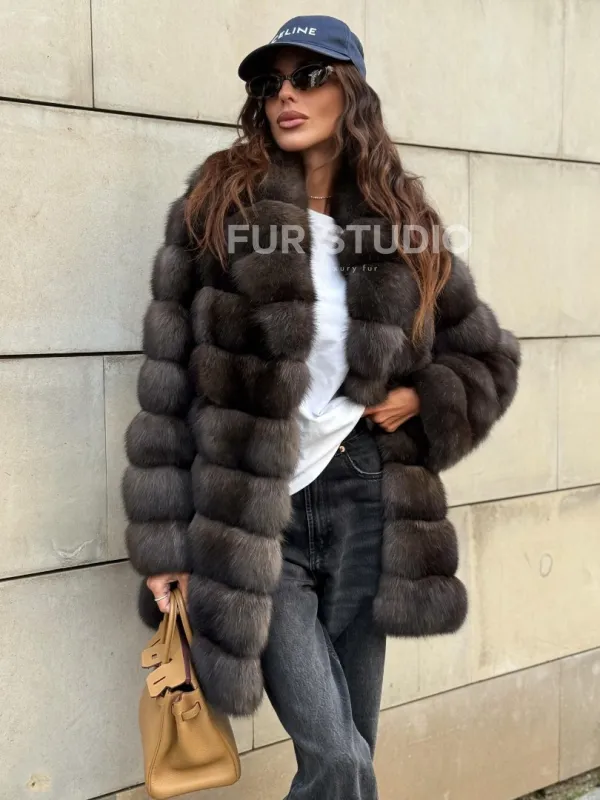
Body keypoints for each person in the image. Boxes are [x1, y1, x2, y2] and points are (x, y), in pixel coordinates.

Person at [122, 15, 521, 799]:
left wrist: (423, 395)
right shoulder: (218, 209)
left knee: (355, 744)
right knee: (339, 758)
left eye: (309, 77)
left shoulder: (402, 227)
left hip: (363, 499)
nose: (286, 97)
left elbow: (489, 357)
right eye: (270, 83)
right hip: (252, 515)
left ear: (351, 91)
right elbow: (166, 387)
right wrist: (164, 544)